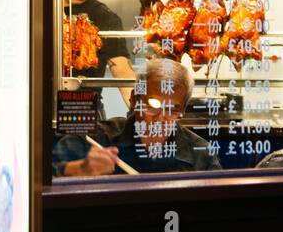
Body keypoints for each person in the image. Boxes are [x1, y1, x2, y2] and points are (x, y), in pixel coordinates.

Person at [53, 58, 221, 175]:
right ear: (134, 99)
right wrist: (79, 169)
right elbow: (42, 177)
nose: (160, 119)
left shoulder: (200, 153)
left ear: (183, 110)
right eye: (152, 106)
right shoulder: (96, 139)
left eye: (171, 110)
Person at [62, 0, 137, 111]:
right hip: (35, 111)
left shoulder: (105, 18)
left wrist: (141, 111)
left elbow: (122, 72)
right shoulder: (36, 10)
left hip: (84, 112)